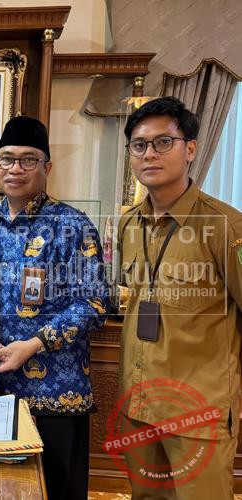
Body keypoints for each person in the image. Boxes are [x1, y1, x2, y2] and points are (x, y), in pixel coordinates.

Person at [0, 116, 108, 500]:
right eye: (7, 159)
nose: (15, 168)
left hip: (54, 396)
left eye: (28, 159)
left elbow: (95, 303)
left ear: (47, 167)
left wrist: (34, 343)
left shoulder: (73, 225)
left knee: (56, 492)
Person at [118, 97, 242, 498]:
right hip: (138, 405)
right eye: (139, 145)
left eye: (163, 142)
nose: (149, 154)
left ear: (190, 148)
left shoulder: (226, 226)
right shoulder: (129, 223)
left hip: (198, 412)